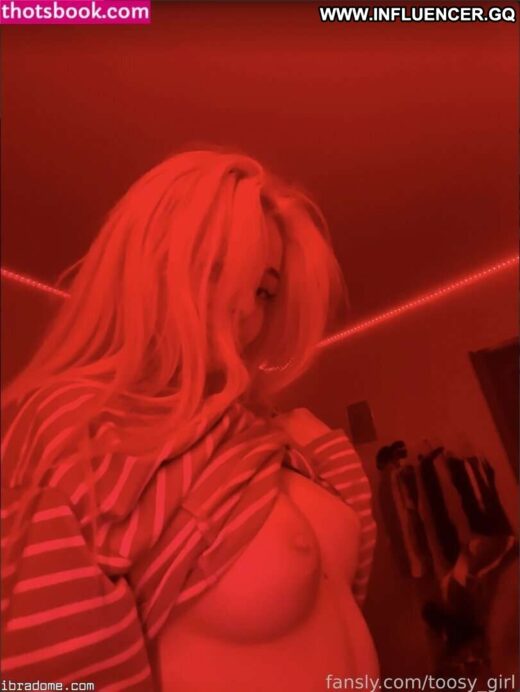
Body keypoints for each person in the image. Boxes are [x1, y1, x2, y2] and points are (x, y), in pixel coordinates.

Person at [1, 147, 379, 691]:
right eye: (218, 271)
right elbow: (55, 672)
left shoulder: (271, 437)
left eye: (264, 290)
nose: (246, 310)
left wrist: (322, 451)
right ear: (146, 266)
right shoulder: (79, 430)